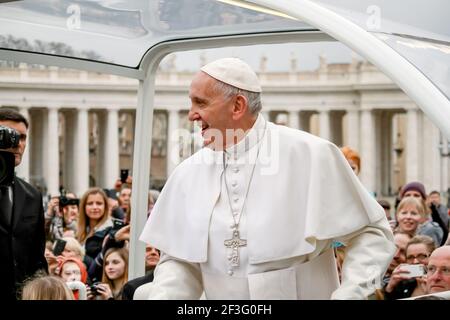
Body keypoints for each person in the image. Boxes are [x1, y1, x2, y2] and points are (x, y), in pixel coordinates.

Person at [139, 58, 395, 299]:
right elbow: (180, 263)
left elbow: (371, 234)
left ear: (237, 106)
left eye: (201, 103)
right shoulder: (188, 173)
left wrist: (351, 294)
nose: (191, 114)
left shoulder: (310, 154)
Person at [0, 108, 47, 300]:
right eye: (10, 136)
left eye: (22, 137)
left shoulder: (32, 196)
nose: (18, 144)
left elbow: (37, 259)